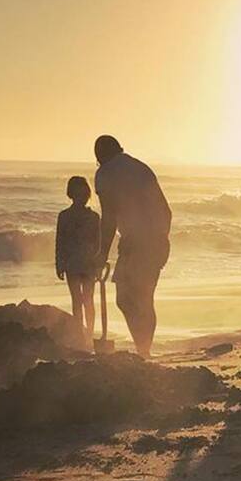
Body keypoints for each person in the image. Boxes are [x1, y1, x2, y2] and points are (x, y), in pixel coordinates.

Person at [94, 135, 172, 357]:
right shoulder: (141, 168)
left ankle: (143, 350)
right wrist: (162, 240)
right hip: (156, 240)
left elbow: (108, 217)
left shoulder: (106, 173)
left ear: (100, 157)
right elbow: (165, 210)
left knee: (125, 299)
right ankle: (144, 349)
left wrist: (101, 254)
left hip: (135, 243)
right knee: (145, 299)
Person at [56, 175, 102, 338]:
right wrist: (59, 263)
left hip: (77, 263)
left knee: (81, 300)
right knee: (85, 300)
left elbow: (60, 242)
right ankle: (85, 333)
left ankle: (84, 334)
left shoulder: (66, 216)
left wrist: (59, 263)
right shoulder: (92, 217)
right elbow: (60, 241)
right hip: (80, 263)